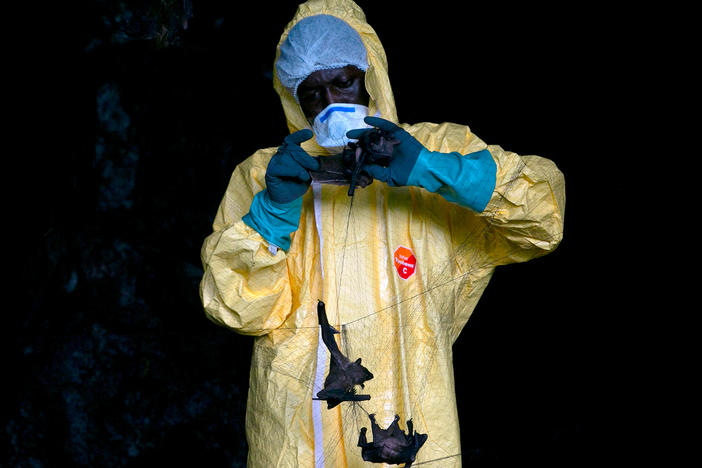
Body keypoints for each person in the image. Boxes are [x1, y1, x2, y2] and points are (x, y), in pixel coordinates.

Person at [199, 0, 565, 466]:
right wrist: (273, 212)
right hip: (297, 438)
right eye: (312, 93)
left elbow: (543, 218)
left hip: (411, 425)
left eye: (343, 82)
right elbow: (232, 308)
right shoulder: (266, 175)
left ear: (369, 76)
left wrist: (431, 169)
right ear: (294, 99)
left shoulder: (436, 147)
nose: (331, 102)